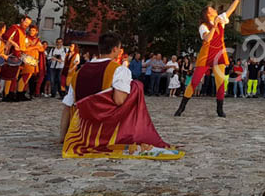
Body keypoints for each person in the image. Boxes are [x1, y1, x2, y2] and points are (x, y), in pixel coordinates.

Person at [60, 32, 182, 160]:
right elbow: (119, 101)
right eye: (119, 48)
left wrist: (63, 137)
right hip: (105, 130)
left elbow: (67, 107)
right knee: (136, 86)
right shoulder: (118, 70)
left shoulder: (79, 72)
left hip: (83, 133)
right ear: (115, 49)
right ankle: (128, 133)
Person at [175, 0, 246, 117]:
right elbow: (207, 38)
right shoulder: (203, 26)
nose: (214, 9)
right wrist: (214, 26)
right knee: (195, 81)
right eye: (211, 9)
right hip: (206, 55)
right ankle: (181, 107)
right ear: (208, 14)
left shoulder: (221, 19)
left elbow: (231, 9)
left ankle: (220, 109)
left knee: (220, 83)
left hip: (219, 54)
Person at [1, 15, 32, 102]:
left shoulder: (23, 31)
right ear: (22, 20)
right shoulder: (15, 27)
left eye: (28, 24)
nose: (26, 25)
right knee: (10, 75)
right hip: (13, 54)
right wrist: (14, 43)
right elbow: (6, 36)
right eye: (26, 22)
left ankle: (12, 93)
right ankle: (6, 94)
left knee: (15, 76)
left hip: (19, 54)